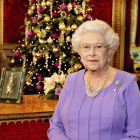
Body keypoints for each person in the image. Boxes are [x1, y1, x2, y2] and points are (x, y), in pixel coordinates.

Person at [47, 20, 140, 140]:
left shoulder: (127, 83)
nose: (92, 53)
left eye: (99, 47)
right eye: (86, 47)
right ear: (79, 51)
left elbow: (136, 134)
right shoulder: (71, 81)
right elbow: (55, 126)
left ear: (110, 50)